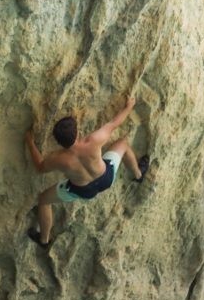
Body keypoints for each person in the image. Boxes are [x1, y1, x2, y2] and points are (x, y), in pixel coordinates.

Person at [25, 95, 149, 248]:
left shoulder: (58, 158)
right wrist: (129, 106)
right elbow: (114, 123)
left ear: (58, 142)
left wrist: (30, 141)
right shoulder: (93, 140)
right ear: (77, 133)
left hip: (82, 191)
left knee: (43, 200)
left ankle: (44, 240)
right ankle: (138, 174)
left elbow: (40, 167)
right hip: (105, 178)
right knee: (122, 144)